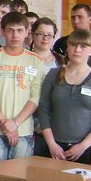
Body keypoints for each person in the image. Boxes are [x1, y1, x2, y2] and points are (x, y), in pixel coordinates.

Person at [0, 11, 45, 181]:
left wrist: (15, 123)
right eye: (10, 30)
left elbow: (36, 96)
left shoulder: (35, 61)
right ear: (3, 32)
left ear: (27, 32)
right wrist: (4, 122)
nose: (15, 35)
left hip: (23, 132)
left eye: (19, 30)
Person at [39, 30, 91, 164]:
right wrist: (52, 144)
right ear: (67, 47)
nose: (77, 50)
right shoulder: (53, 75)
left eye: (83, 46)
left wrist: (83, 146)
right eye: (73, 45)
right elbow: (43, 110)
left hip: (87, 149)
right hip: (54, 147)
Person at [30, 17, 65, 157]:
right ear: (32, 34)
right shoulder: (23, 58)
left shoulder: (62, 61)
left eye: (49, 35)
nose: (45, 38)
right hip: (30, 118)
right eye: (40, 34)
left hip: (55, 121)